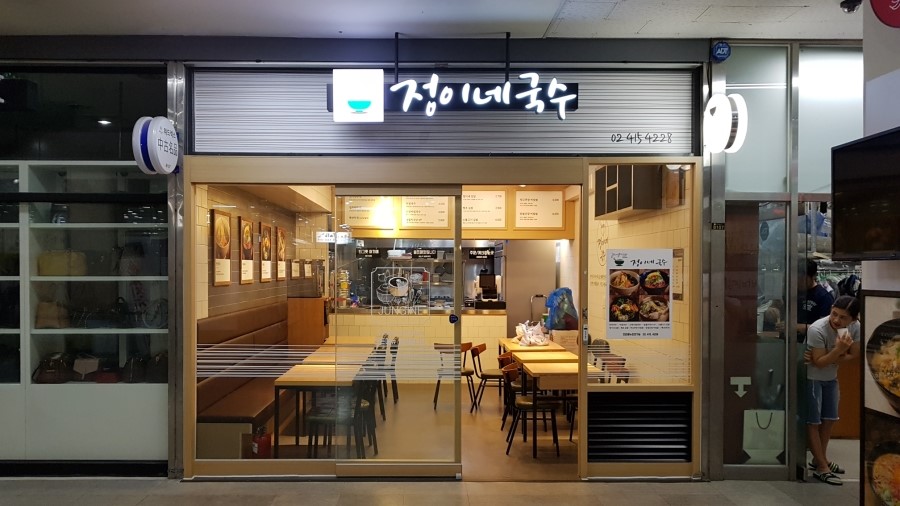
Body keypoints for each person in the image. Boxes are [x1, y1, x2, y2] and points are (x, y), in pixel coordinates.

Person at [805, 295, 860, 486]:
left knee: (829, 420)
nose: (836, 320)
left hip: (831, 378)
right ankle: (822, 467)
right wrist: (838, 350)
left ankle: (820, 458)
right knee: (813, 421)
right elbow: (819, 363)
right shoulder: (817, 329)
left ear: (853, 319)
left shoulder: (855, 327)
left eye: (843, 317)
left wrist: (830, 356)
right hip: (812, 379)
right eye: (834, 313)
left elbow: (855, 354)